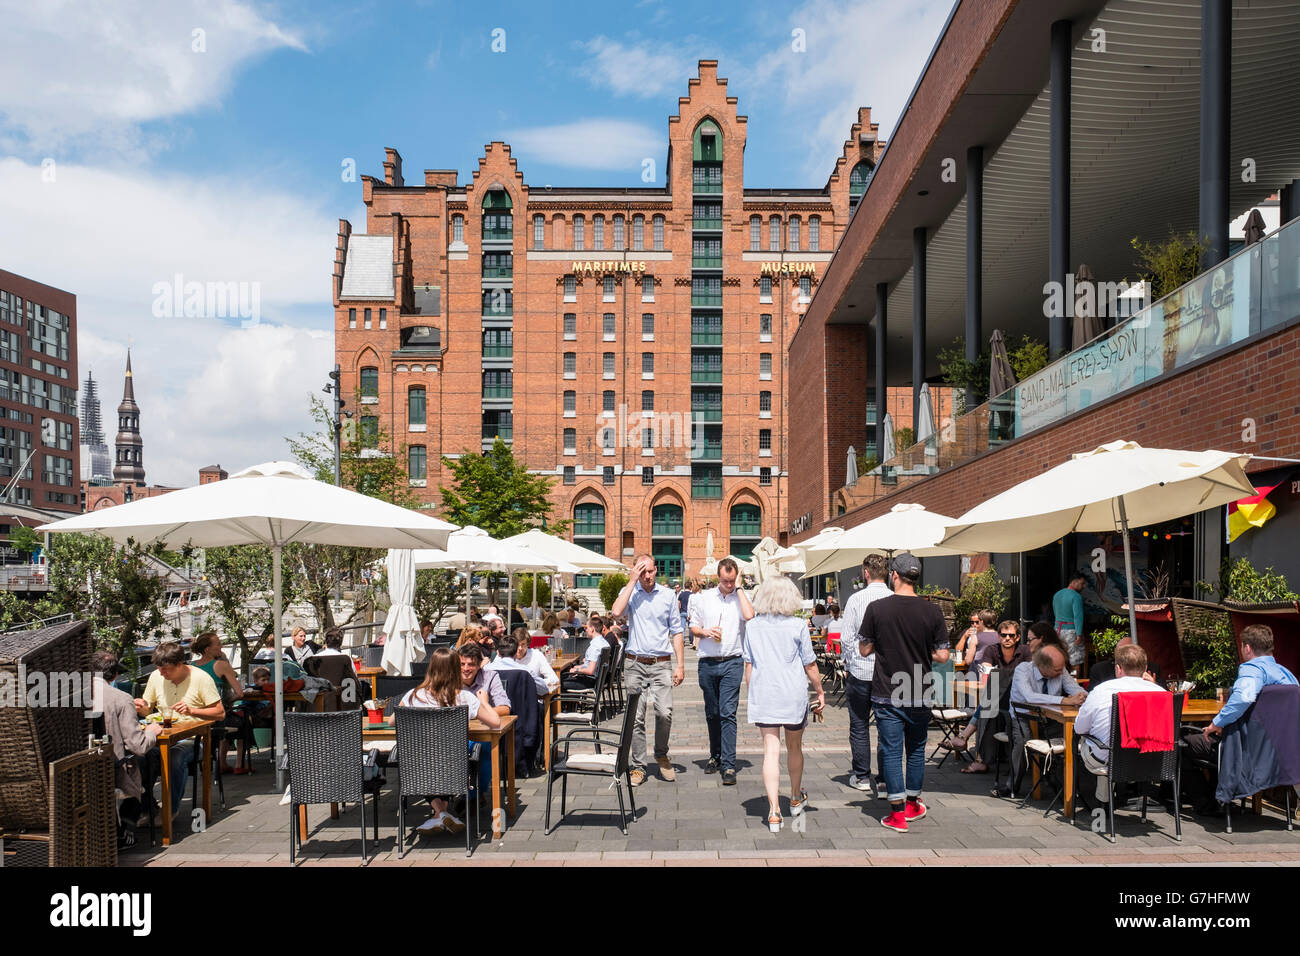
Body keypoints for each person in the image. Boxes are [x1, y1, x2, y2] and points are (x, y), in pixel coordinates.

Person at [857, 552, 951, 832]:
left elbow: (864, 649)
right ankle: (912, 803)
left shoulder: (877, 608)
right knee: (917, 749)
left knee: (892, 751)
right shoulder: (932, 611)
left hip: (887, 689)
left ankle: (897, 814)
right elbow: (944, 655)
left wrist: (883, 643)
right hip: (919, 689)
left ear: (894, 575)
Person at [1181, 624, 1298, 811]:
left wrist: (1215, 723)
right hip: (1279, 752)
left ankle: (1209, 803)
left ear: (1248, 648)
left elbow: (1244, 697)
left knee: (1182, 745)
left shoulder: (1252, 669)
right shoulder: (1288, 676)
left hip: (1246, 750)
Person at [744, 576, 824, 832]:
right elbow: (809, 664)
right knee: (794, 747)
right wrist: (820, 690)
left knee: (770, 750)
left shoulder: (753, 626)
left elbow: (749, 665)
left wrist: (752, 691)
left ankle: (773, 812)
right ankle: (795, 796)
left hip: (765, 692)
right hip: (792, 693)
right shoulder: (798, 625)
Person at [398, 647, 502, 833]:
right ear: (456, 670)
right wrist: (484, 701)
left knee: (427, 761)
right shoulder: (464, 697)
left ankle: (439, 814)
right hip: (455, 764)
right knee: (444, 759)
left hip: (417, 765)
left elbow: (393, 719)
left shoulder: (414, 695)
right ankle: (443, 814)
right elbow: (495, 723)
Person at [610, 552, 686, 787]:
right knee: (636, 717)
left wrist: (681, 665)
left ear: (656, 569)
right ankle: (638, 765)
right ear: (636, 572)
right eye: (642, 572)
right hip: (635, 662)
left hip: (661, 662)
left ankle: (661, 754)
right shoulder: (631, 593)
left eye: (650, 570)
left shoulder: (667, 595)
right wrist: (631, 581)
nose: (647, 576)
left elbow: (677, 631)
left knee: (665, 712)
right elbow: (616, 612)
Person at [134, 641, 225, 819]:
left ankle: (170, 810)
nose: (162, 673)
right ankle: (147, 808)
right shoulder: (156, 676)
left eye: (166, 669)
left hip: (194, 740)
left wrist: (193, 711)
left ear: (180, 664)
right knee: (138, 756)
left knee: (175, 756)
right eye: (159, 669)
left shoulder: (201, 678)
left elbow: (220, 713)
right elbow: (147, 709)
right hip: (162, 736)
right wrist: (140, 706)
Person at [688, 557, 755, 785]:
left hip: (732, 662)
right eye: (726, 581)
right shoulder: (704, 598)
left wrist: (739, 590)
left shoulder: (740, 598)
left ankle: (728, 764)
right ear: (719, 577)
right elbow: (693, 627)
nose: (729, 584)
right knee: (712, 713)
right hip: (707, 662)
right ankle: (715, 755)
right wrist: (705, 632)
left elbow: (750, 616)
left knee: (728, 713)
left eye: (732, 580)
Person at [992, 643, 1087, 798]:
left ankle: (1065, 788)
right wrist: (1064, 701)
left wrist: (1082, 695)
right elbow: (1030, 697)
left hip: (1049, 719)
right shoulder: (1023, 670)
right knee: (1022, 742)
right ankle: (1012, 786)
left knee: (1069, 739)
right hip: (1021, 718)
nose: (1061, 672)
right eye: (1057, 670)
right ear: (1043, 667)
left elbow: (1074, 688)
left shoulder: (1060, 669)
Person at [1074, 643, 1164, 803]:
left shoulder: (1103, 690)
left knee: (1086, 741)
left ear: (1118, 668)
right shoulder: (1162, 694)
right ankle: (1110, 798)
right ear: (1145, 669)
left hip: (1107, 760)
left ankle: (1100, 802)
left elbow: (1080, 727)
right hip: (1152, 762)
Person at [941, 620, 1031, 773]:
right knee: (989, 703)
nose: (1007, 638)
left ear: (1017, 637)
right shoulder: (992, 650)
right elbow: (987, 675)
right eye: (1004, 635)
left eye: (1011, 635)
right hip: (998, 698)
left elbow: (1028, 677)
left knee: (987, 704)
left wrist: (1001, 678)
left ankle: (967, 741)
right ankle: (976, 754)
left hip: (1019, 699)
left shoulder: (1025, 651)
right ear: (998, 636)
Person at [92, 651, 160, 848]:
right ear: (114, 676)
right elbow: (138, 745)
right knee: (151, 757)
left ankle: (136, 816)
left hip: (83, 766)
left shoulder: (72, 694)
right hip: (113, 770)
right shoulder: (121, 698)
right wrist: (152, 732)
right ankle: (130, 822)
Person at [839, 553, 891, 795]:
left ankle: (861, 776)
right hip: (888, 674)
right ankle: (883, 780)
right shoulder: (894, 599)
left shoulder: (856, 599)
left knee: (859, 725)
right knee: (886, 726)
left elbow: (847, 638)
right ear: (889, 574)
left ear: (866, 573)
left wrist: (851, 663)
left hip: (860, 672)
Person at [191, 632, 250, 774]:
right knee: (245, 721)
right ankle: (239, 764)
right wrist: (230, 701)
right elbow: (240, 693)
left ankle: (221, 762)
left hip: (195, 718)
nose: (221, 646)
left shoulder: (191, 666)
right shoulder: (221, 665)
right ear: (207, 649)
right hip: (217, 718)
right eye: (218, 643)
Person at [488, 626, 559, 695]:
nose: (520, 648)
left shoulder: (536, 655)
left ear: (528, 644)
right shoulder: (504, 654)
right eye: (517, 645)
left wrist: (535, 682)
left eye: (523, 644)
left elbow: (554, 679)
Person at [458, 641, 510, 717]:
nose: (466, 668)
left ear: (479, 665)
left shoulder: (490, 677)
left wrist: (474, 714)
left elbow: (505, 709)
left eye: (471, 664)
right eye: (462, 664)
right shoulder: (449, 679)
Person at [1088, 636, 1162, 686]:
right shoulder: (1099, 669)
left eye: (1128, 651)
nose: (1124, 655)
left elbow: (1168, 700)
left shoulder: (1153, 669)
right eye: (1120, 651)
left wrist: (1154, 685)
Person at [562, 615, 609, 691]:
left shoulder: (595, 646)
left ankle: (567, 702)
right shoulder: (604, 643)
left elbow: (590, 670)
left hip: (589, 680)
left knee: (559, 683)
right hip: (596, 679)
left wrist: (577, 670)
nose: (585, 630)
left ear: (592, 629)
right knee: (566, 675)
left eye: (587, 628)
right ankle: (573, 702)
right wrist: (579, 668)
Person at [1053, 573, 1088, 673]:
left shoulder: (1057, 595)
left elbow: (1055, 613)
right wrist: (1079, 634)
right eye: (1082, 583)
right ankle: (1074, 682)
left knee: (1060, 657)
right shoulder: (1076, 597)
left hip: (1057, 630)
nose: (1083, 586)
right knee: (1074, 660)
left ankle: (1061, 682)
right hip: (1072, 631)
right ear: (1074, 582)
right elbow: (1078, 617)